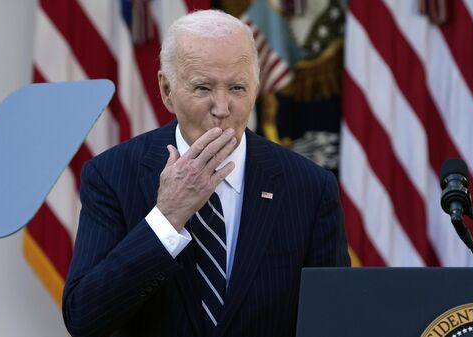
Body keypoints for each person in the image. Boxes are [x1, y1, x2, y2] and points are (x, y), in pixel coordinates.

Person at [62, 9, 350, 337]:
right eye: (203, 88)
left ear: (256, 89)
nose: (223, 108)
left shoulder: (310, 187)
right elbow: (84, 318)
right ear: (166, 90)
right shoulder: (111, 175)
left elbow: (332, 320)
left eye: (238, 88)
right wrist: (166, 219)